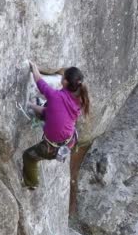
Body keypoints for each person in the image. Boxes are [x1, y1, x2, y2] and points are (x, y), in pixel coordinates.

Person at [22, 61, 90, 190]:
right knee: (49, 108)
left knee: (28, 156)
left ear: (64, 82)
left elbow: (41, 83)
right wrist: (30, 106)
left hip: (52, 148)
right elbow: (48, 112)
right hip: (70, 140)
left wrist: (34, 68)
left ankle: (31, 183)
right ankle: (36, 105)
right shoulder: (79, 100)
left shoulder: (56, 96)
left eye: (63, 76)